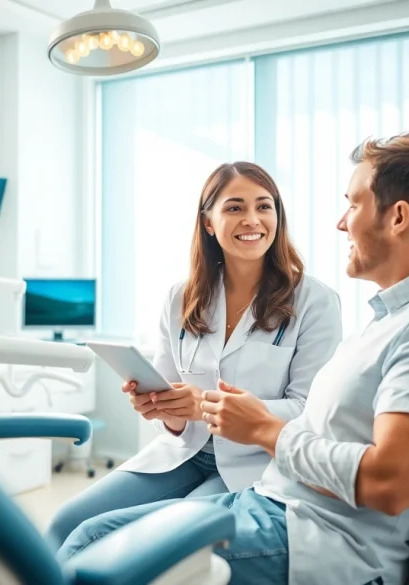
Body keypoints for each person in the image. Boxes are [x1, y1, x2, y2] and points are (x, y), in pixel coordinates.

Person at [56, 110, 409, 585]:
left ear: (398, 216)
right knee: (84, 534)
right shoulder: (393, 319)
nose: (341, 223)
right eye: (233, 208)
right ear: (209, 223)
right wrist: (179, 409)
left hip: (312, 534)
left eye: (353, 205)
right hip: (276, 501)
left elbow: (390, 482)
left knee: (111, 559)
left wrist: (263, 430)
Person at [44, 161, 343, 551]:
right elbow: (171, 394)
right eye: (234, 207)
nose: (252, 219)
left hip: (253, 460)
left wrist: (204, 405)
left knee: (166, 542)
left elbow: (309, 411)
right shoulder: (181, 297)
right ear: (208, 222)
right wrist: (164, 411)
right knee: (66, 524)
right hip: (183, 453)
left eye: (264, 206)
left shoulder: (315, 302)